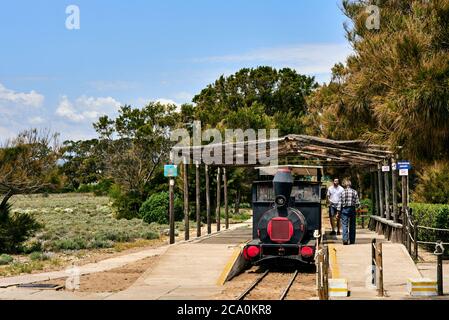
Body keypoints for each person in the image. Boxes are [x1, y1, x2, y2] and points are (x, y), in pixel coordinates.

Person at [336, 179, 360, 245]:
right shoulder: (354, 192)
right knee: (352, 225)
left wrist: (338, 212)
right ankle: (352, 240)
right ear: (350, 184)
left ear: (345, 185)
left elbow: (339, 203)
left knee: (344, 225)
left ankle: (345, 240)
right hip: (352, 209)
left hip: (344, 209)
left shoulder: (342, 192)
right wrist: (357, 209)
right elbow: (357, 203)